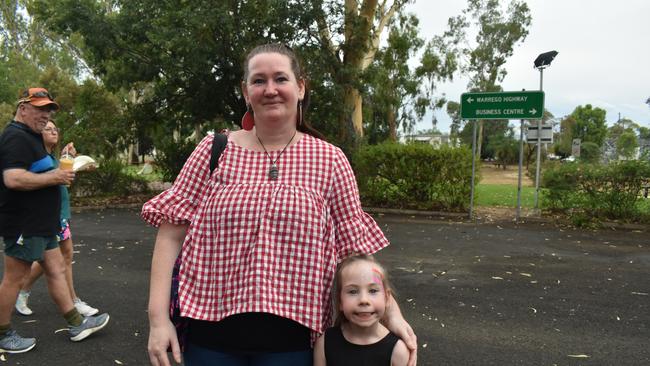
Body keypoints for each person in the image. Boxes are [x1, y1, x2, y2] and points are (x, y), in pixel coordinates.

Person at [142, 44, 417, 366]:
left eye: (280, 79)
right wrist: (158, 320)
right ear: (246, 92)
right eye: (259, 81)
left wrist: (391, 312)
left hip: (294, 339)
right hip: (210, 334)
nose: (270, 89)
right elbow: (171, 233)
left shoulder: (329, 160)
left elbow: (354, 252)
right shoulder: (214, 150)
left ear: (300, 87)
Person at [0, 88, 110, 354]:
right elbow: (13, 179)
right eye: (39, 109)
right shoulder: (16, 137)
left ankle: (77, 323)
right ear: (22, 108)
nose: (45, 115)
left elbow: (41, 170)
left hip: (42, 222)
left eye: (48, 109)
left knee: (56, 268)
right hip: (24, 223)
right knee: (15, 278)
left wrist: (66, 163)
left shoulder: (33, 137)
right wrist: (55, 178)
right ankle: (2, 334)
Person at [14, 120, 99, 317]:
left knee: (56, 258)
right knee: (57, 258)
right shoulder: (37, 157)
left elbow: (62, 179)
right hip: (47, 215)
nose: (53, 131)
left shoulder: (51, 157)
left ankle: (22, 292)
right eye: (48, 129)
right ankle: (73, 302)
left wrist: (68, 158)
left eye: (55, 129)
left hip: (60, 213)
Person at [313, 254, 409, 366]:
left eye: (373, 291)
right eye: (353, 292)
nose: (363, 300)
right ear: (340, 302)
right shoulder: (324, 344)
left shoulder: (398, 351)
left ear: (387, 298)